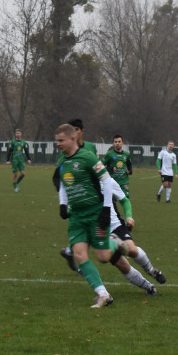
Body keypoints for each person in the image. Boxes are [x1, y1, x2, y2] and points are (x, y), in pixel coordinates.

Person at [61, 175, 167, 293]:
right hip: (98, 230)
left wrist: (129, 216)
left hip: (115, 225)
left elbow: (124, 200)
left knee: (132, 250)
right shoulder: (79, 186)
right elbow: (72, 208)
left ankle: (151, 270)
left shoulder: (108, 181)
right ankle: (148, 287)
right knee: (122, 265)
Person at [55, 122, 118, 308]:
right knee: (79, 255)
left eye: (61, 140)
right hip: (77, 217)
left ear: (72, 139)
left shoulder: (88, 157)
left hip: (95, 213)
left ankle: (116, 242)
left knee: (103, 257)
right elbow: (64, 184)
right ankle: (103, 294)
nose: (58, 144)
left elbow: (106, 181)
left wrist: (107, 208)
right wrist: (62, 204)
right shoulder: (62, 161)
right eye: (56, 141)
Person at [102, 134, 133, 198]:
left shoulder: (126, 154)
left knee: (126, 198)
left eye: (119, 142)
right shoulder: (109, 154)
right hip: (112, 182)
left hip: (123, 181)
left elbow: (129, 164)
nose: (117, 143)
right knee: (113, 201)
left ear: (122, 143)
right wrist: (110, 169)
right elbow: (101, 166)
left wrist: (130, 170)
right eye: (115, 142)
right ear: (113, 143)